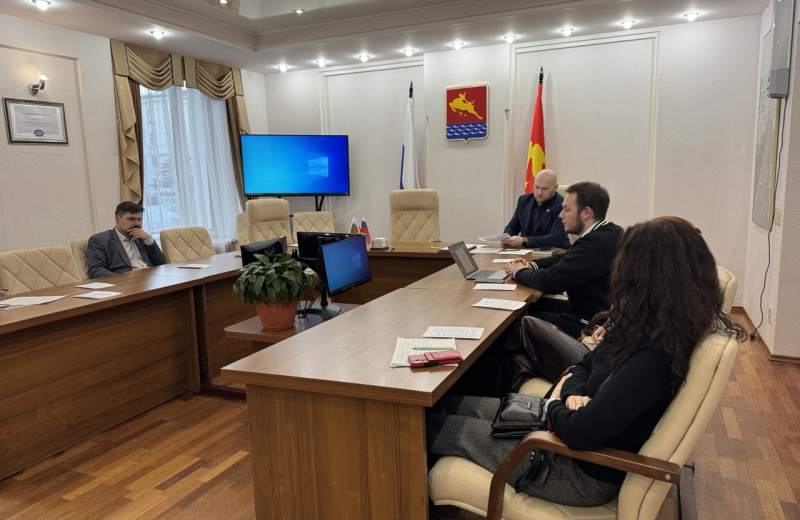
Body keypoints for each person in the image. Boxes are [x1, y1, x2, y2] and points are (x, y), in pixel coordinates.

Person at [426, 218, 745, 507]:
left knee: (426, 426)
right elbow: (586, 364)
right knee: (450, 404)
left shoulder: (655, 356)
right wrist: (569, 393)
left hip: (571, 469)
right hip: (557, 435)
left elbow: (582, 431)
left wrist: (556, 402)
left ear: (642, 275)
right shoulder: (654, 324)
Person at [504, 181, 622, 338]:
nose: (560, 215)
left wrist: (517, 271)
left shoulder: (594, 244)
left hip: (591, 323)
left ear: (586, 212)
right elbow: (565, 257)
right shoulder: (609, 231)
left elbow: (550, 281)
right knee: (530, 305)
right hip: (590, 310)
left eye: (566, 209)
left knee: (513, 321)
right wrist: (532, 265)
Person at [86, 201, 166, 279]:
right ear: (117, 219)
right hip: (127, 282)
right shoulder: (99, 240)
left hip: (151, 278)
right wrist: (123, 280)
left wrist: (148, 239)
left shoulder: (142, 237)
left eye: (139, 219)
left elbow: (161, 263)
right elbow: (96, 270)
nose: (137, 223)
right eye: (131, 219)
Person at [502, 169, 570, 250]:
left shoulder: (562, 205)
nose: (539, 192)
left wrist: (525, 241)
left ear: (555, 187)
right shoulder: (524, 200)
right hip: (526, 251)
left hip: (554, 252)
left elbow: (557, 237)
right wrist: (507, 237)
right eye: (536, 187)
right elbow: (512, 227)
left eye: (545, 189)